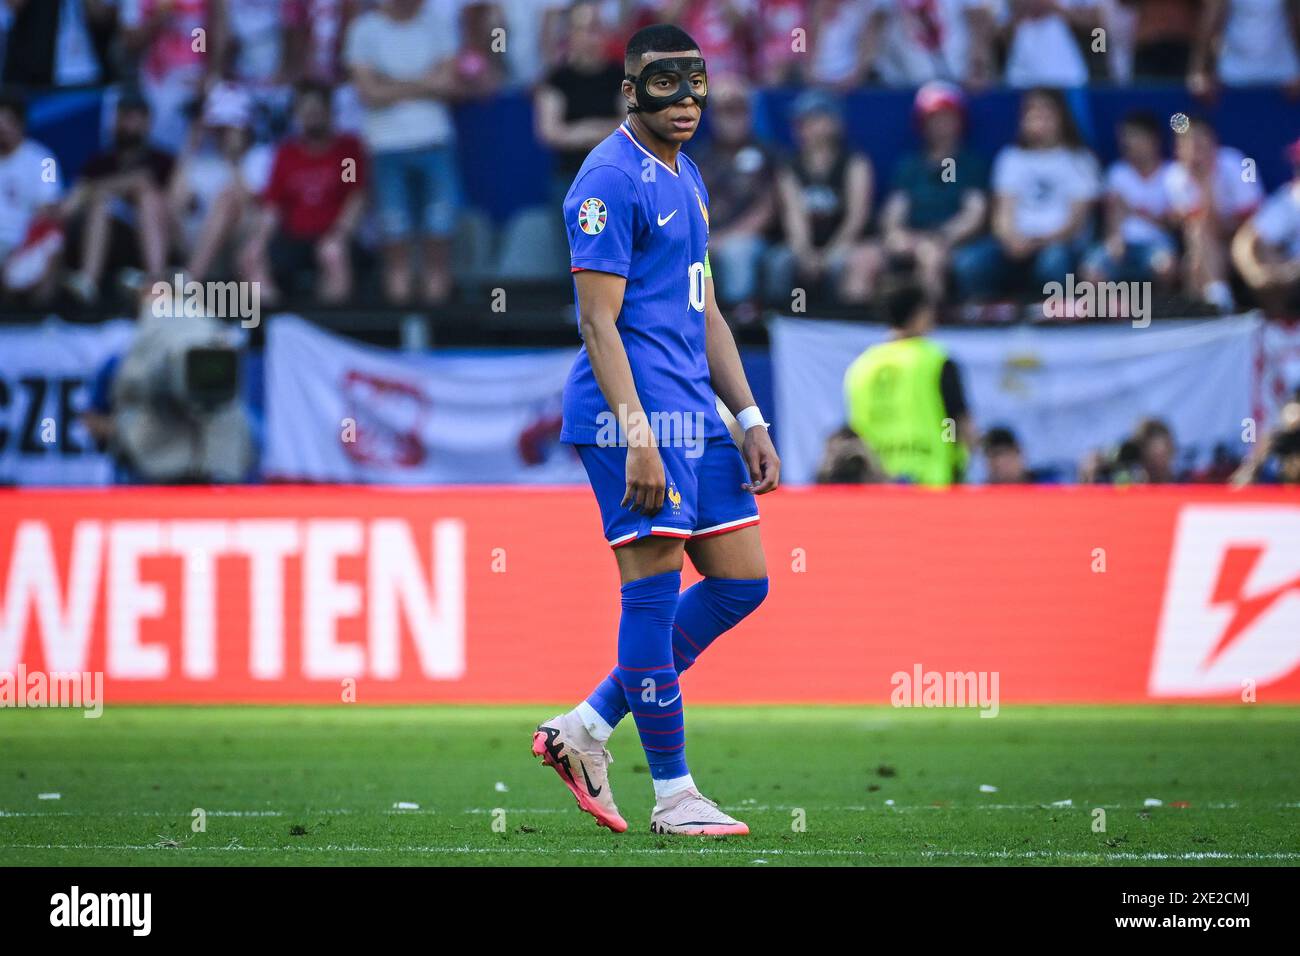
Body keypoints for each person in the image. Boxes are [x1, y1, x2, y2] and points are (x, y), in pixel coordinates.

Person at [532, 24, 779, 838]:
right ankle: (675, 796)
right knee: (651, 594)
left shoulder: (690, 174)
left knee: (743, 580)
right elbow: (599, 324)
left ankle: (589, 727)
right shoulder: (605, 179)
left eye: (698, 84)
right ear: (630, 89)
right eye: (666, 84)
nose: (688, 101)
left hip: (694, 414)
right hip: (631, 414)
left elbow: (705, 311)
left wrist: (747, 416)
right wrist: (638, 433)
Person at [345, 0, 462, 304]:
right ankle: (402, 337)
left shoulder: (436, 24)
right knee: (395, 247)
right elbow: (367, 93)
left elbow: (448, 82)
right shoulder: (364, 29)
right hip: (386, 148)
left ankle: (436, 335)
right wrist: (424, 82)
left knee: (438, 244)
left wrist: (389, 82)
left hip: (434, 141)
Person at [239, 81, 367, 304]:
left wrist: (339, 235)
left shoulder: (347, 150)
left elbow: (355, 197)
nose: (312, 117)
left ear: (329, 112)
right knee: (251, 258)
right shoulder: (286, 154)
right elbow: (273, 207)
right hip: (293, 237)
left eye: (318, 111)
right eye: (306, 112)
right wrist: (257, 241)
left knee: (333, 255)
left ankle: (326, 330)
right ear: (297, 115)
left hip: (334, 236)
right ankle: (278, 325)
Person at [843, 281, 973, 486]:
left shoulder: (861, 367)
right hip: (934, 482)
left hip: (878, 484)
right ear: (920, 313)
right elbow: (961, 425)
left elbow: (856, 432)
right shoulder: (936, 361)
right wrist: (959, 460)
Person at [877, 81, 991, 305]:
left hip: (956, 242)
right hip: (914, 237)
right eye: (934, 119)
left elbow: (974, 215)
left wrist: (940, 238)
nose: (941, 125)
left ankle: (926, 325)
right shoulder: (909, 166)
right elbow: (895, 212)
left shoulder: (971, 165)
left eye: (947, 118)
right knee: (864, 259)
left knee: (931, 256)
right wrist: (897, 235)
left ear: (960, 121)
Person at [982, 88, 1099, 297]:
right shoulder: (1010, 158)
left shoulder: (1080, 160)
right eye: (1032, 112)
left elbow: (1075, 224)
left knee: (1052, 264)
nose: (1038, 119)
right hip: (1015, 244)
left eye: (1045, 113)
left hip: (1061, 245)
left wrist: (1037, 243)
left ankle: (1056, 314)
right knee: (972, 264)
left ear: (1061, 118)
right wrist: (1010, 239)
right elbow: (1002, 215)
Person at [63, 91, 174, 303]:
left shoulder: (162, 160)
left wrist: (103, 187)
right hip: (106, 234)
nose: (128, 123)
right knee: (101, 202)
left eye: (135, 117)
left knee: (148, 197)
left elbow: (164, 199)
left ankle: (156, 280)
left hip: (154, 233)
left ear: (147, 122)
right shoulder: (99, 162)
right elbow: (73, 201)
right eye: (123, 116)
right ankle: (88, 281)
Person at [770, 89, 878, 305]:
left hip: (848, 241)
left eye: (809, 121)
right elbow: (793, 215)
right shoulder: (789, 166)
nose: (800, 128)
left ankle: (845, 325)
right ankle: (779, 322)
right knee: (780, 262)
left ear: (832, 123)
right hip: (807, 242)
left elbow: (857, 217)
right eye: (798, 123)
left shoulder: (855, 163)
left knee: (846, 264)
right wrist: (805, 253)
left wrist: (830, 255)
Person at [687, 74, 777, 313]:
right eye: (725, 111)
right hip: (705, 236)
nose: (732, 118)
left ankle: (739, 322)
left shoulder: (767, 154)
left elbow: (768, 209)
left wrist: (724, 238)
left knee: (737, 251)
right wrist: (703, 238)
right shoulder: (698, 156)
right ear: (713, 115)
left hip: (749, 238)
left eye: (739, 110)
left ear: (750, 113)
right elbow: (686, 203)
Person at [169, 83, 275, 282]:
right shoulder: (202, 162)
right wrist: (190, 147)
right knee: (160, 201)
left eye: (230, 128)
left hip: (241, 245)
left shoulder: (261, 157)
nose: (224, 135)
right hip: (196, 244)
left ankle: (190, 279)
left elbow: (253, 206)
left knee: (228, 200)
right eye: (219, 129)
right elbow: (174, 204)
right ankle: (168, 277)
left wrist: (233, 160)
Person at [1164, 117, 1262, 311]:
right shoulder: (1173, 175)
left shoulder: (1240, 163)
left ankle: (1216, 306)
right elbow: (1194, 226)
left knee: (1198, 251)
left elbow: (1251, 219)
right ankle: (1215, 306)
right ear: (1178, 148)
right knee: (1193, 261)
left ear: (1213, 140)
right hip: (1207, 244)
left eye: (1201, 140)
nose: (1195, 147)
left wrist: (1206, 183)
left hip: (1247, 237)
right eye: (1188, 141)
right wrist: (1204, 186)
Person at [1082, 110, 1177, 288]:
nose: (1128, 143)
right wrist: (1115, 239)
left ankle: (1162, 309)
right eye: (1126, 137)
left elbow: (1173, 223)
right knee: (1091, 271)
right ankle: (1112, 310)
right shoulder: (1117, 173)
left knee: (1166, 267)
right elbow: (1112, 215)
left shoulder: (1172, 173)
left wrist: (1136, 210)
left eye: (1135, 136)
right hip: (1122, 242)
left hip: (1157, 243)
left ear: (1153, 139)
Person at [0, 90, 64, 301]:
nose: (2, 128)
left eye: (7, 121)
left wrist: (19, 245)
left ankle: (40, 308)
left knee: (53, 238)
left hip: (24, 240)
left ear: (20, 123)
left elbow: (51, 207)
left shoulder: (44, 160)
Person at [1232, 137, 1300, 314]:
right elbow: (1248, 239)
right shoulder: (1290, 198)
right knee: (1267, 256)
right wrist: (1258, 274)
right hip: (1292, 280)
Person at [1188, 0, 1300, 93]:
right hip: (1234, 76)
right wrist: (1199, 71)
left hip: (1283, 77)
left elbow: (1296, 19)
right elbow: (1211, 22)